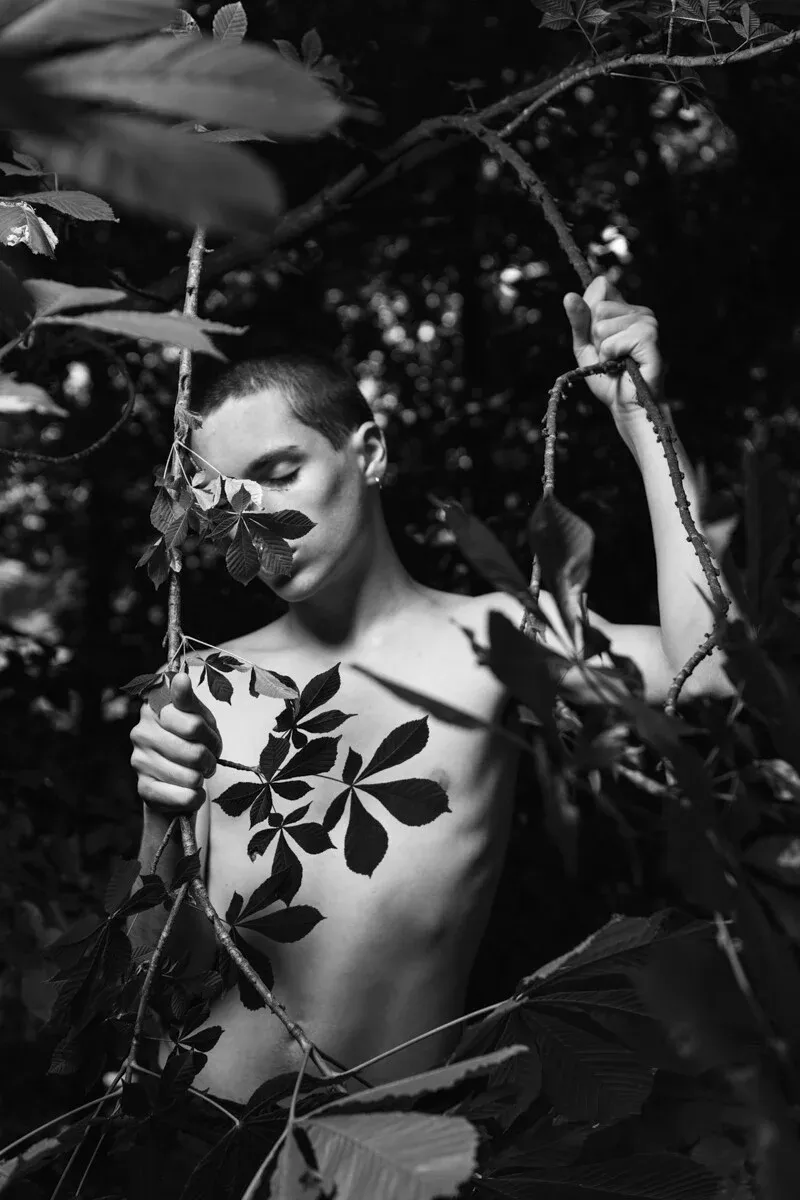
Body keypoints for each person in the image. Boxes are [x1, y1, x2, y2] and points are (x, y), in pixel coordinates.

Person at [129, 276, 735, 1104]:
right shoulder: (202, 679)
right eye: (225, 502)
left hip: (390, 1146)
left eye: (279, 472)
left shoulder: (491, 640)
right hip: (194, 1137)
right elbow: (150, 979)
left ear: (369, 453)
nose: (256, 521)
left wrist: (644, 424)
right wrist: (161, 817)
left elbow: (711, 665)